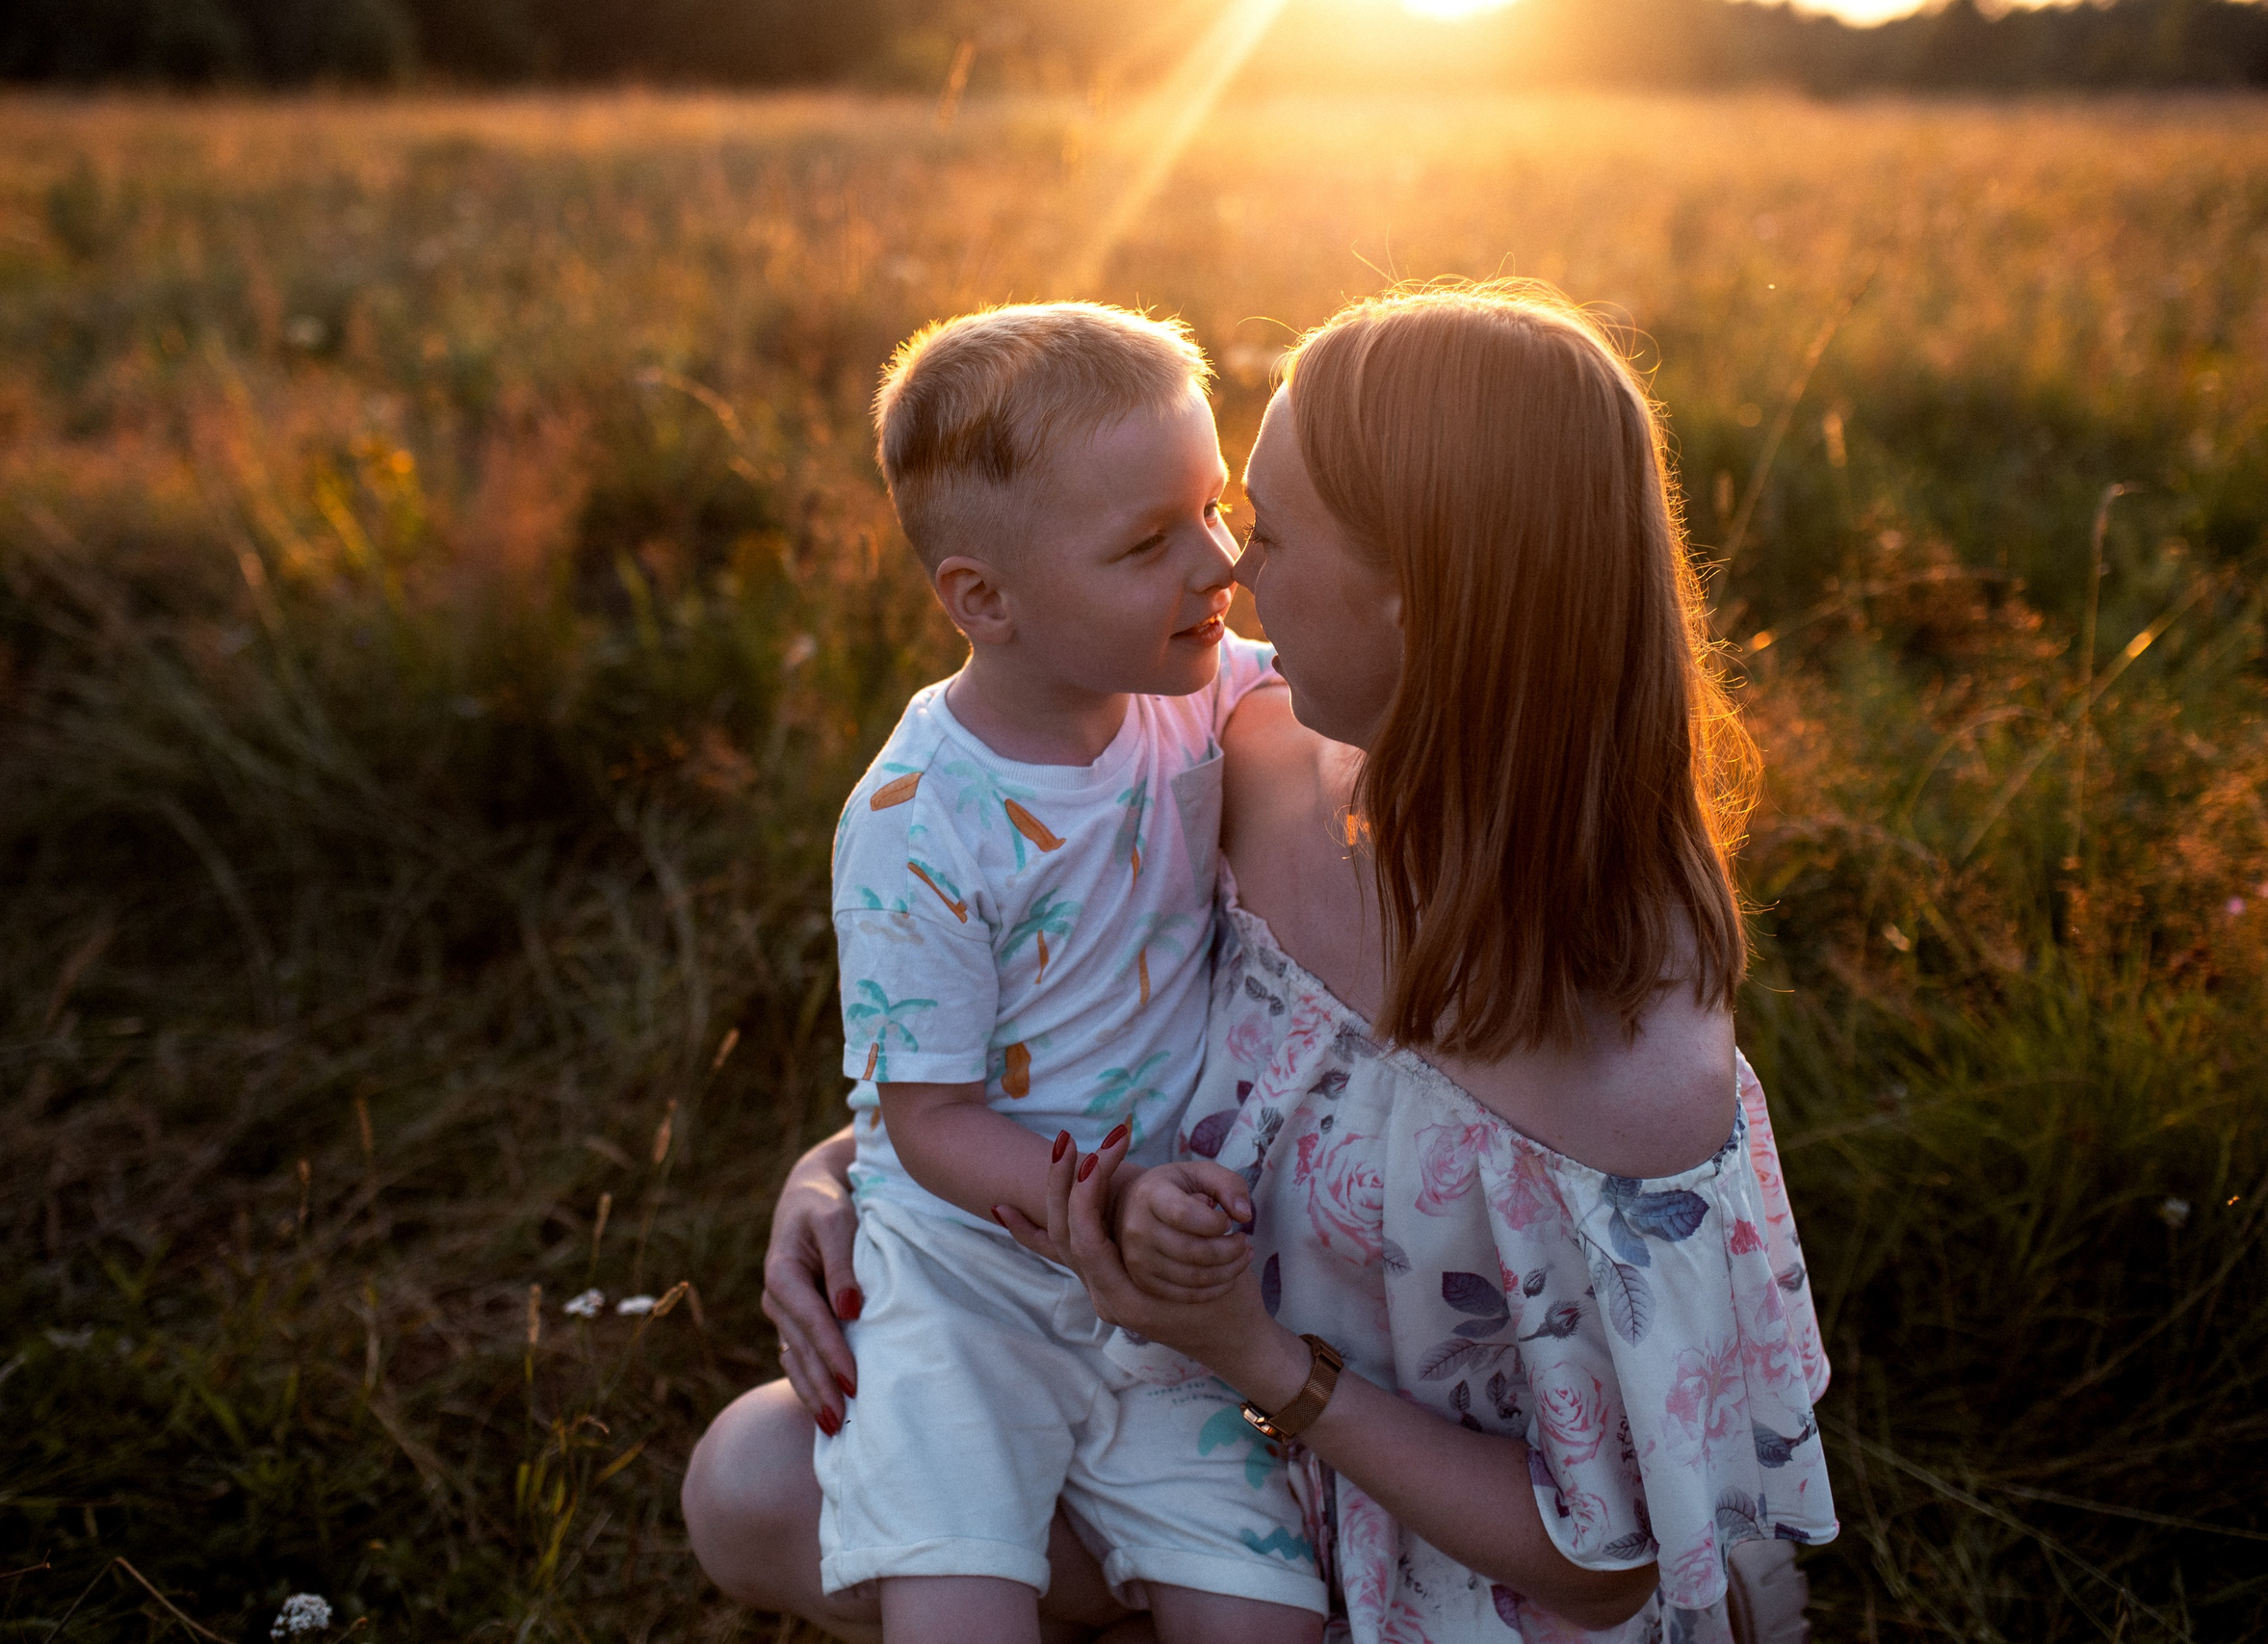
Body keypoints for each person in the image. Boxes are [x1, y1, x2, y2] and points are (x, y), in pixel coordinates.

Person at [686, 281, 1837, 1643]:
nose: (1230, 571)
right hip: (1186, 1410)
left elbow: (1602, 1564)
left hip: (1445, 1538)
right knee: (755, 1481)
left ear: (1419, 596)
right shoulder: (1244, 759)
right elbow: (1066, 997)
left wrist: (1257, 1358)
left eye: (1268, 529)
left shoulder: (1631, 1058)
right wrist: (844, 1169)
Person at [810, 300, 1324, 1644]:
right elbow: (927, 1121)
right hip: (968, 1282)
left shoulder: (1204, 683)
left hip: (1164, 1285)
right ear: (985, 600)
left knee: (1267, 1617)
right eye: (1148, 544)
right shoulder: (919, 819)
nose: (1219, 562)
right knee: (958, 1598)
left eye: (1212, 507)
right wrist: (1113, 1195)